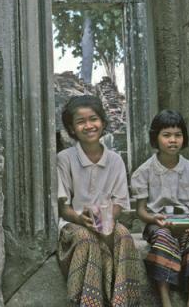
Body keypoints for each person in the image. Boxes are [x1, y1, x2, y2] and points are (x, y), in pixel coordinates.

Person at [57, 95, 140, 307]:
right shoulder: (65, 159)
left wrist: (107, 220)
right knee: (87, 239)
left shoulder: (114, 160)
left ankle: (123, 302)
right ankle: (87, 302)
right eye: (80, 121)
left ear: (102, 122)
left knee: (124, 235)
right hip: (73, 224)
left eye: (93, 119)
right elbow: (63, 206)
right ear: (72, 129)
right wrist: (80, 218)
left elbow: (119, 202)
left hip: (107, 221)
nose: (88, 126)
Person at [131, 110, 189, 307]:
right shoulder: (143, 172)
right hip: (158, 224)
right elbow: (142, 211)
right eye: (166, 135)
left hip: (186, 223)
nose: (173, 140)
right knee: (162, 240)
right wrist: (155, 220)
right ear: (156, 138)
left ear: (184, 138)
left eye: (178, 135)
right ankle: (166, 301)